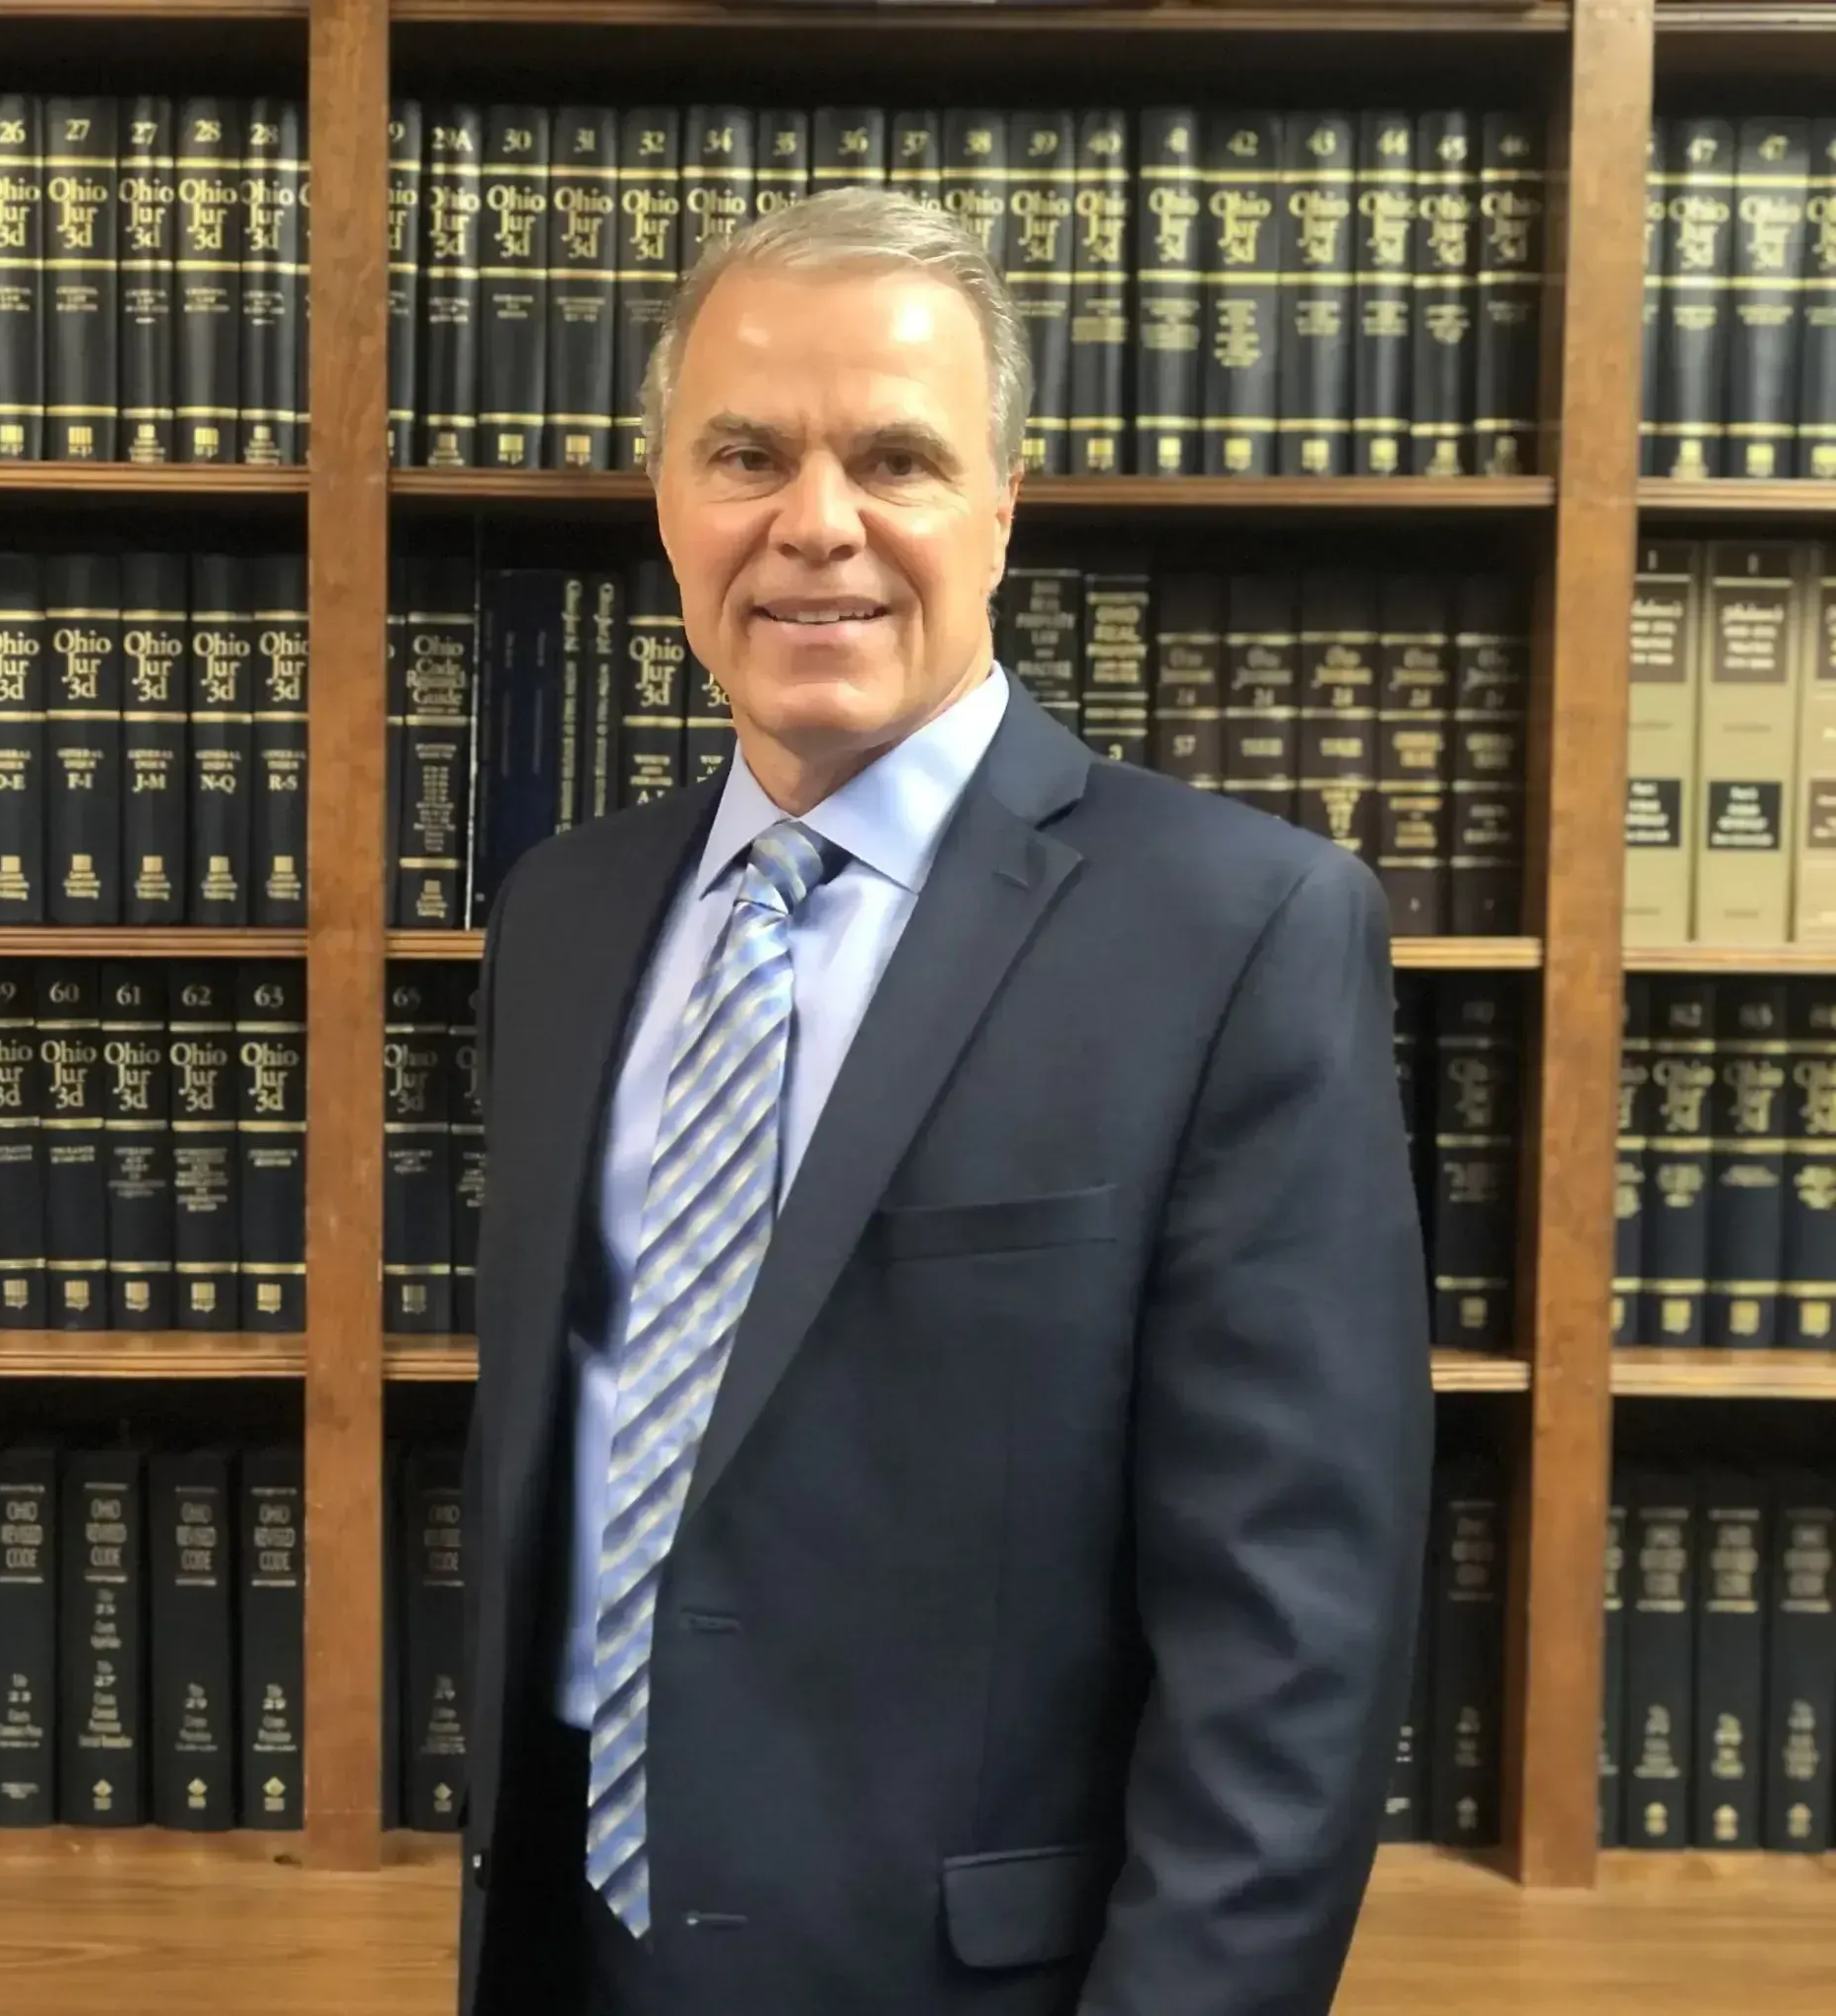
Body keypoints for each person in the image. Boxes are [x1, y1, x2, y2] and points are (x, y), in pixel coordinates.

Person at [458, 186, 1432, 2016]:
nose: (813, 526)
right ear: (665, 498)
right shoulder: (564, 917)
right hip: (575, 1951)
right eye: (745, 451)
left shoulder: (1241, 931)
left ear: (1000, 507)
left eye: (895, 457)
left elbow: (1289, 1651)